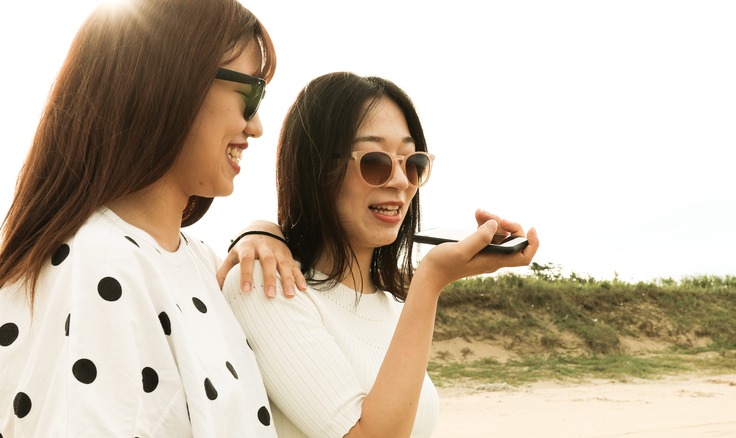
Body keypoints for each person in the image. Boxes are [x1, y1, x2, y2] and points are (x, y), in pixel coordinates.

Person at [0, 0, 299, 435]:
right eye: (250, 93)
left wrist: (264, 231)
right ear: (171, 86)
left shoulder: (193, 258)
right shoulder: (100, 264)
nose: (256, 126)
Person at [223, 72, 540, 437]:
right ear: (318, 168)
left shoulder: (393, 306)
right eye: (375, 161)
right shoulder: (267, 286)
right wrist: (432, 279)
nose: (401, 181)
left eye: (412, 163)